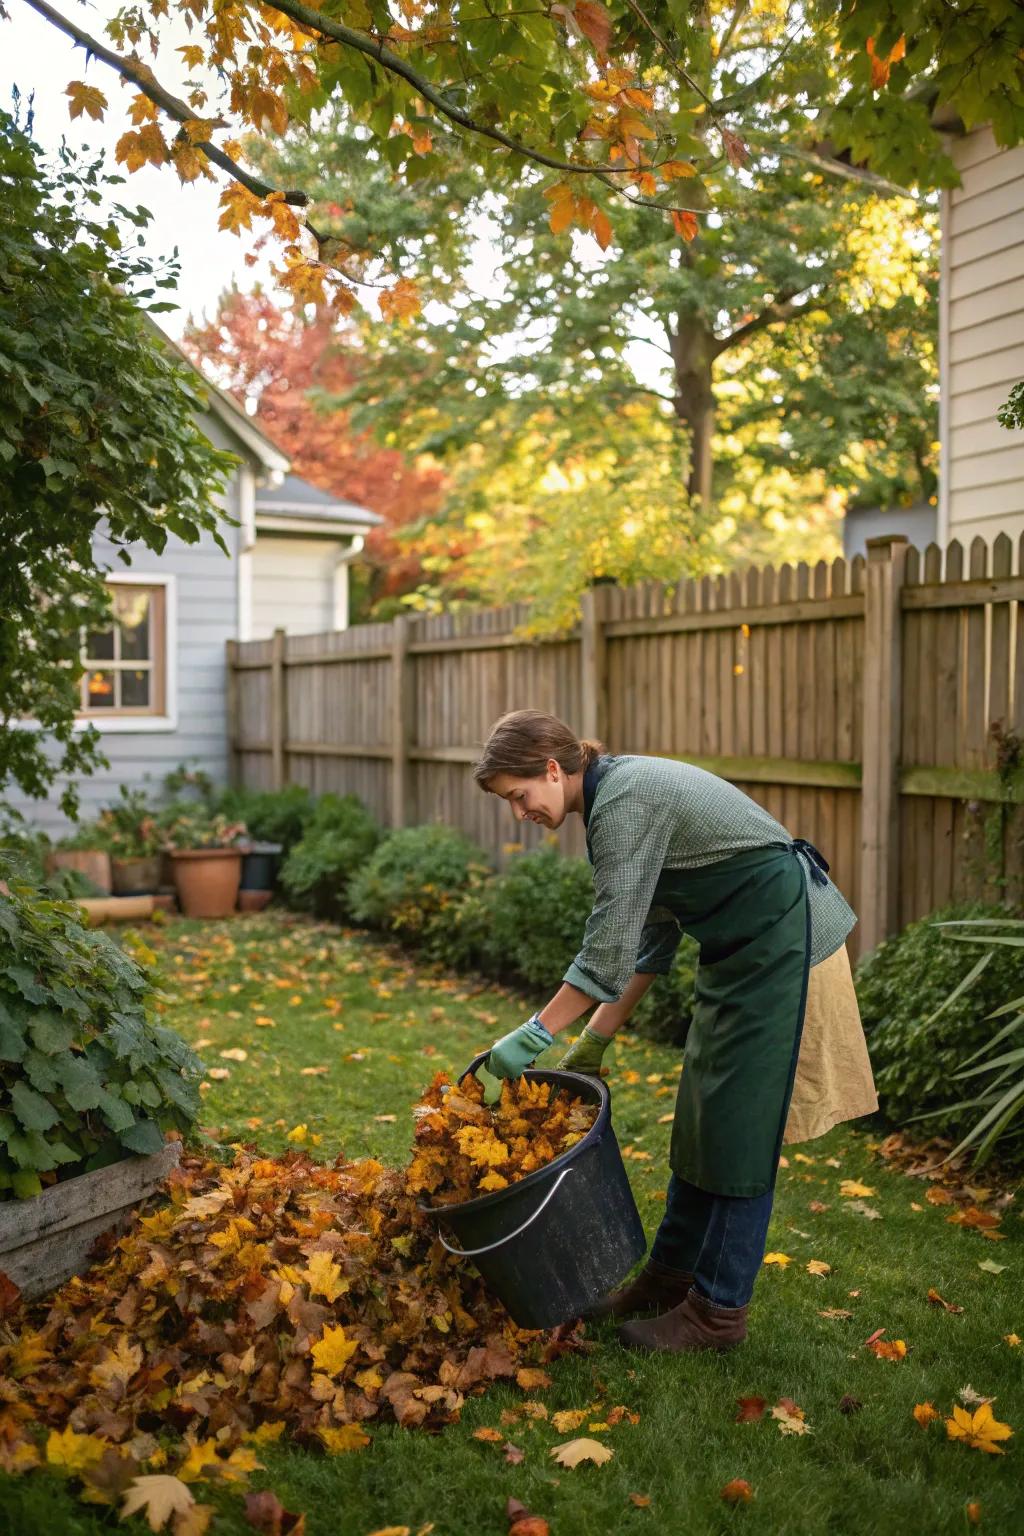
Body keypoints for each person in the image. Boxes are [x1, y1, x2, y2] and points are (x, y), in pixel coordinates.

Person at [473, 709, 878, 1355]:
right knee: (701, 1117)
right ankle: (668, 1279)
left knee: (739, 1129)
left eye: (519, 796)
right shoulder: (613, 800)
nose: (519, 812)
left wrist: (530, 1037)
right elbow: (650, 941)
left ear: (552, 769)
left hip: (781, 943)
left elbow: (603, 953)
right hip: (737, 950)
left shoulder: (624, 802)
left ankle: (716, 1314)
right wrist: (595, 1042)